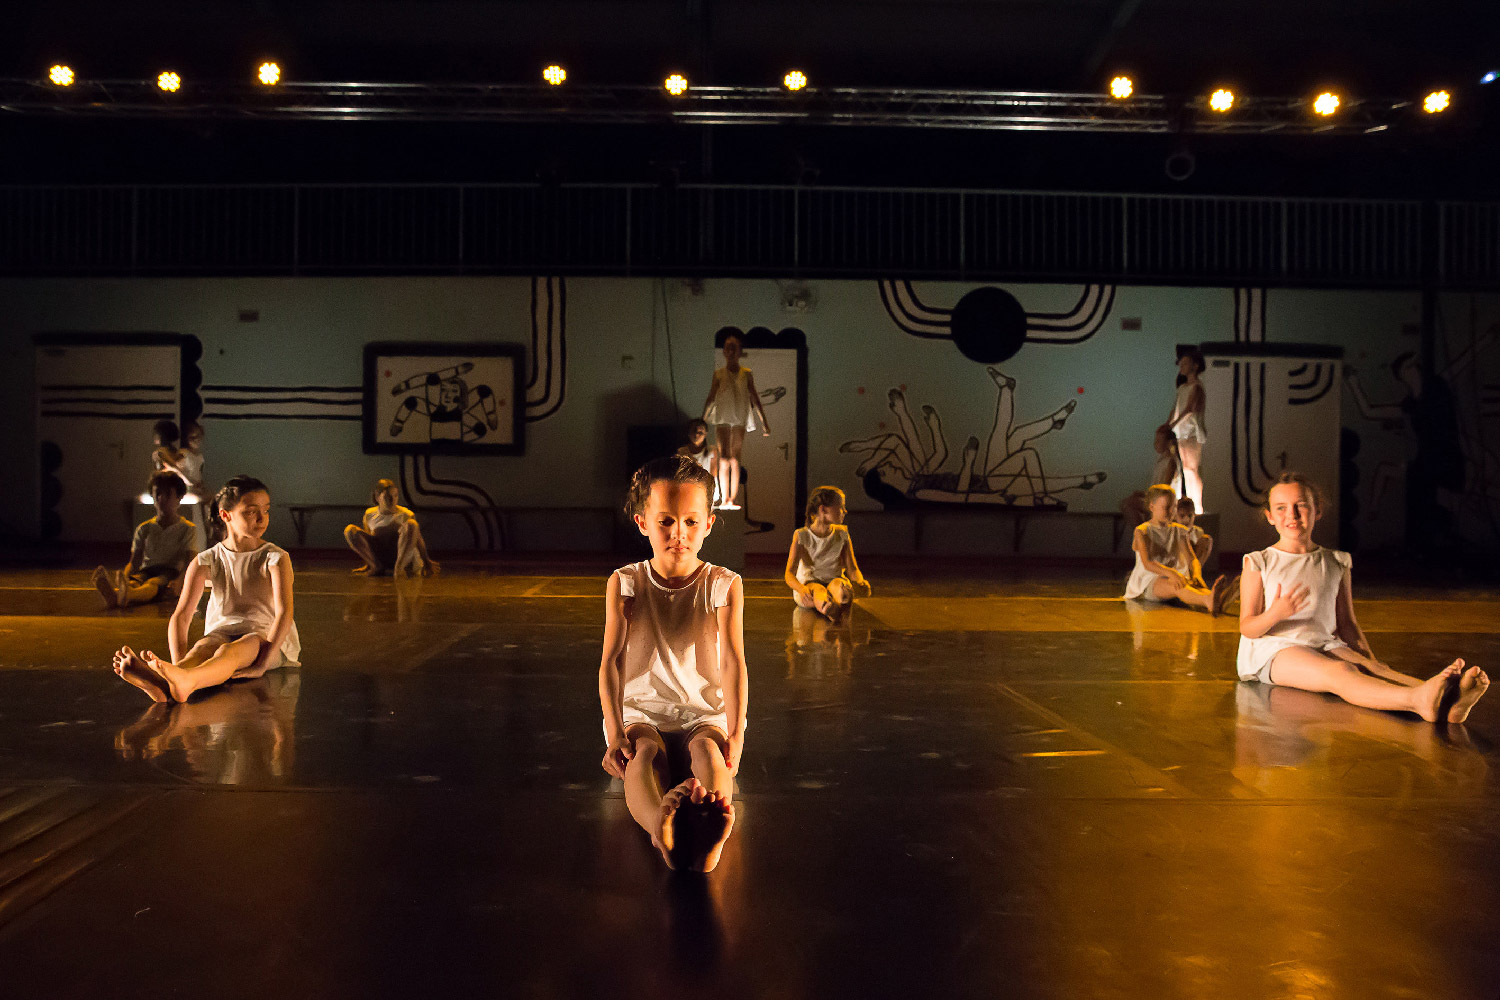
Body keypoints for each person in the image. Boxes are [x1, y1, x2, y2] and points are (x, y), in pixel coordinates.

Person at [1237, 472, 1488, 723]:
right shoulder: (1260, 562)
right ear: (1270, 516)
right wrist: (1276, 613)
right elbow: (1247, 627)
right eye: (1281, 508)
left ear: (1317, 510)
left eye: (1300, 505)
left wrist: (1370, 660)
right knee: (1340, 672)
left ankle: (1450, 703)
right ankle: (1418, 701)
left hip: (1322, 643)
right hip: (1275, 649)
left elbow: (1347, 623)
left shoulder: (1336, 561)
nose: (1291, 514)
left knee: (1374, 669)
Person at [598, 455, 747, 872]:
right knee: (642, 753)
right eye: (666, 521)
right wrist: (614, 733)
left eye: (690, 522)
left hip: (704, 710)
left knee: (708, 751)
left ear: (708, 524)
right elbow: (610, 661)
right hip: (643, 708)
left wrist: (735, 732)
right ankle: (659, 828)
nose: (678, 534)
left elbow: (734, 662)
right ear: (643, 521)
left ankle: (711, 833)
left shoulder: (723, 584)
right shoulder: (626, 582)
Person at [112, 475, 300, 704]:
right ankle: (173, 682)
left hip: (264, 639)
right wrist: (177, 665)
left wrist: (262, 663)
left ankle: (173, 682)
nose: (262, 518)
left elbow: (284, 614)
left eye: (266, 510)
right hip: (222, 632)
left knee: (230, 652)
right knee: (202, 648)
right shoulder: (207, 560)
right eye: (251, 511)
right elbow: (181, 617)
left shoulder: (275, 558)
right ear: (225, 515)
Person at [93, 471, 198, 609]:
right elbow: (134, 561)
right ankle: (120, 594)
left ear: (179, 498)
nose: (161, 499)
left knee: (154, 584)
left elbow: (190, 561)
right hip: (147, 570)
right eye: (157, 493)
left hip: (169, 573)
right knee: (134, 582)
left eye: (167, 494)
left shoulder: (187, 529)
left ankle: (126, 596)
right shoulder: (144, 528)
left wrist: (180, 581)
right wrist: (126, 576)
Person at [1123, 483, 1232, 614]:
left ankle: (1214, 598)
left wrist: (1197, 574)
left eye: (1173, 507)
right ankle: (1209, 599)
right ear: (1152, 507)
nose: (1171, 511)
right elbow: (1148, 563)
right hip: (1150, 581)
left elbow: (1191, 559)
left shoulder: (1179, 531)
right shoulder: (1142, 531)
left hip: (1175, 576)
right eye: (1166, 507)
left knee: (1191, 585)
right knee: (1177, 586)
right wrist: (1171, 573)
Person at [702, 333, 770, 511]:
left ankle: (731, 498)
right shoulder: (719, 374)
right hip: (723, 417)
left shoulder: (746, 374)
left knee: (735, 458)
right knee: (723, 457)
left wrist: (764, 422)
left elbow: (754, 398)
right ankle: (725, 498)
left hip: (739, 418)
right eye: (728, 348)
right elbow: (711, 397)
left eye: (734, 348)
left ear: (739, 352)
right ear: (724, 352)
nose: (731, 351)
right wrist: (703, 419)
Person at [784, 485, 871, 623]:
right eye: (840, 507)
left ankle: (836, 605)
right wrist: (801, 589)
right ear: (823, 509)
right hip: (809, 586)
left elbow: (852, 569)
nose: (844, 511)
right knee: (818, 590)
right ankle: (828, 607)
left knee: (841, 589)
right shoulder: (802, 536)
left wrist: (860, 582)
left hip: (834, 581)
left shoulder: (842, 534)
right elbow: (789, 574)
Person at [344, 479, 438, 577]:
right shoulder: (369, 514)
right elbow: (367, 543)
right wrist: (369, 562)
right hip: (383, 556)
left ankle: (399, 568)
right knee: (350, 530)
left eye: (395, 496)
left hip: (401, 557)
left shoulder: (406, 514)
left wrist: (426, 560)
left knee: (411, 524)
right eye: (387, 497)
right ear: (378, 497)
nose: (392, 500)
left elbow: (417, 538)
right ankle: (376, 566)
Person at [1167, 348, 1207, 511]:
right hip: (1179, 432)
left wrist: (1173, 423)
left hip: (1190, 432)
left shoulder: (1196, 386)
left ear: (1195, 366)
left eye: (1185, 363)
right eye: (1181, 364)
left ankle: (1197, 506)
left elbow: (1190, 408)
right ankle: (1177, 503)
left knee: (1191, 469)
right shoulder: (1182, 387)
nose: (1182, 367)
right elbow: (1176, 407)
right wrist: (1168, 424)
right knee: (1180, 468)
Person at [677, 418, 720, 483]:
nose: (696, 435)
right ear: (689, 433)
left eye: (700, 432)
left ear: (705, 434)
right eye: (694, 431)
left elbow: (713, 474)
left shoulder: (712, 451)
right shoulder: (682, 451)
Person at [1176, 497, 1213, 566]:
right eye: (1182, 516)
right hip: (1177, 567)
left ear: (1194, 515)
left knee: (1206, 540)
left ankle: (1194, 572)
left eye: (1190, 515)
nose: (1186, 520)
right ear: (1175, 516)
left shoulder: (1197, 531)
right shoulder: (1172, 530)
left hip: (1192, 566)